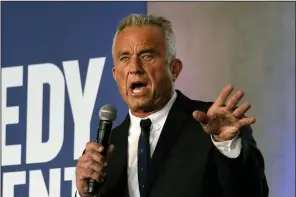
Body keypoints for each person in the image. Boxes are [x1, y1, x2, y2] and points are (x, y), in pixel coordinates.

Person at [75, 14, 269, 197]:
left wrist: (227, 145)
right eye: (124, 58)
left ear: (174, 69)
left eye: (147, 56)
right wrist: (85, 194)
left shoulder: (215, 127)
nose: (134, 68)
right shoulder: (103, 153)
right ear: (115, 75)